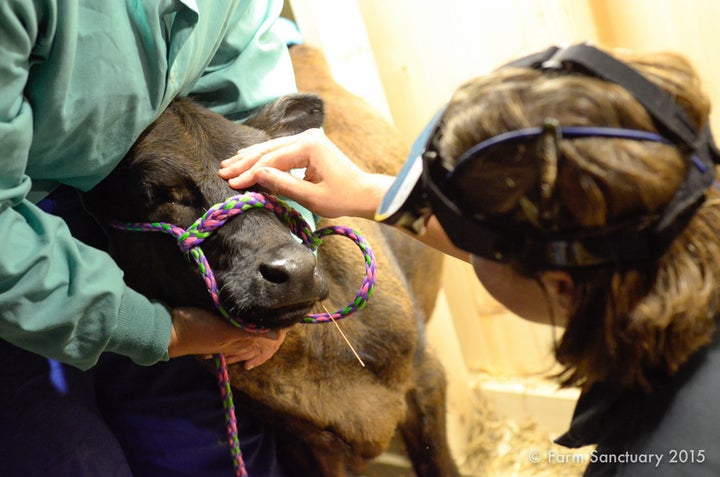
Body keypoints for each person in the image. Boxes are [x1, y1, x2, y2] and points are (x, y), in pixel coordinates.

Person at [220, 43, 720, 475]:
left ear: (561, 287)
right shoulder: (684, 200)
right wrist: (370, 194)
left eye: (473, 244)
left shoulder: (665, 457)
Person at [0, 1, 297, 476]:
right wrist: (161, 331)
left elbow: (243, 96)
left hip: (146, 213)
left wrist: (283, 233)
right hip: (20, 227)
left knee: (211, 451)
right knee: (73, 459)